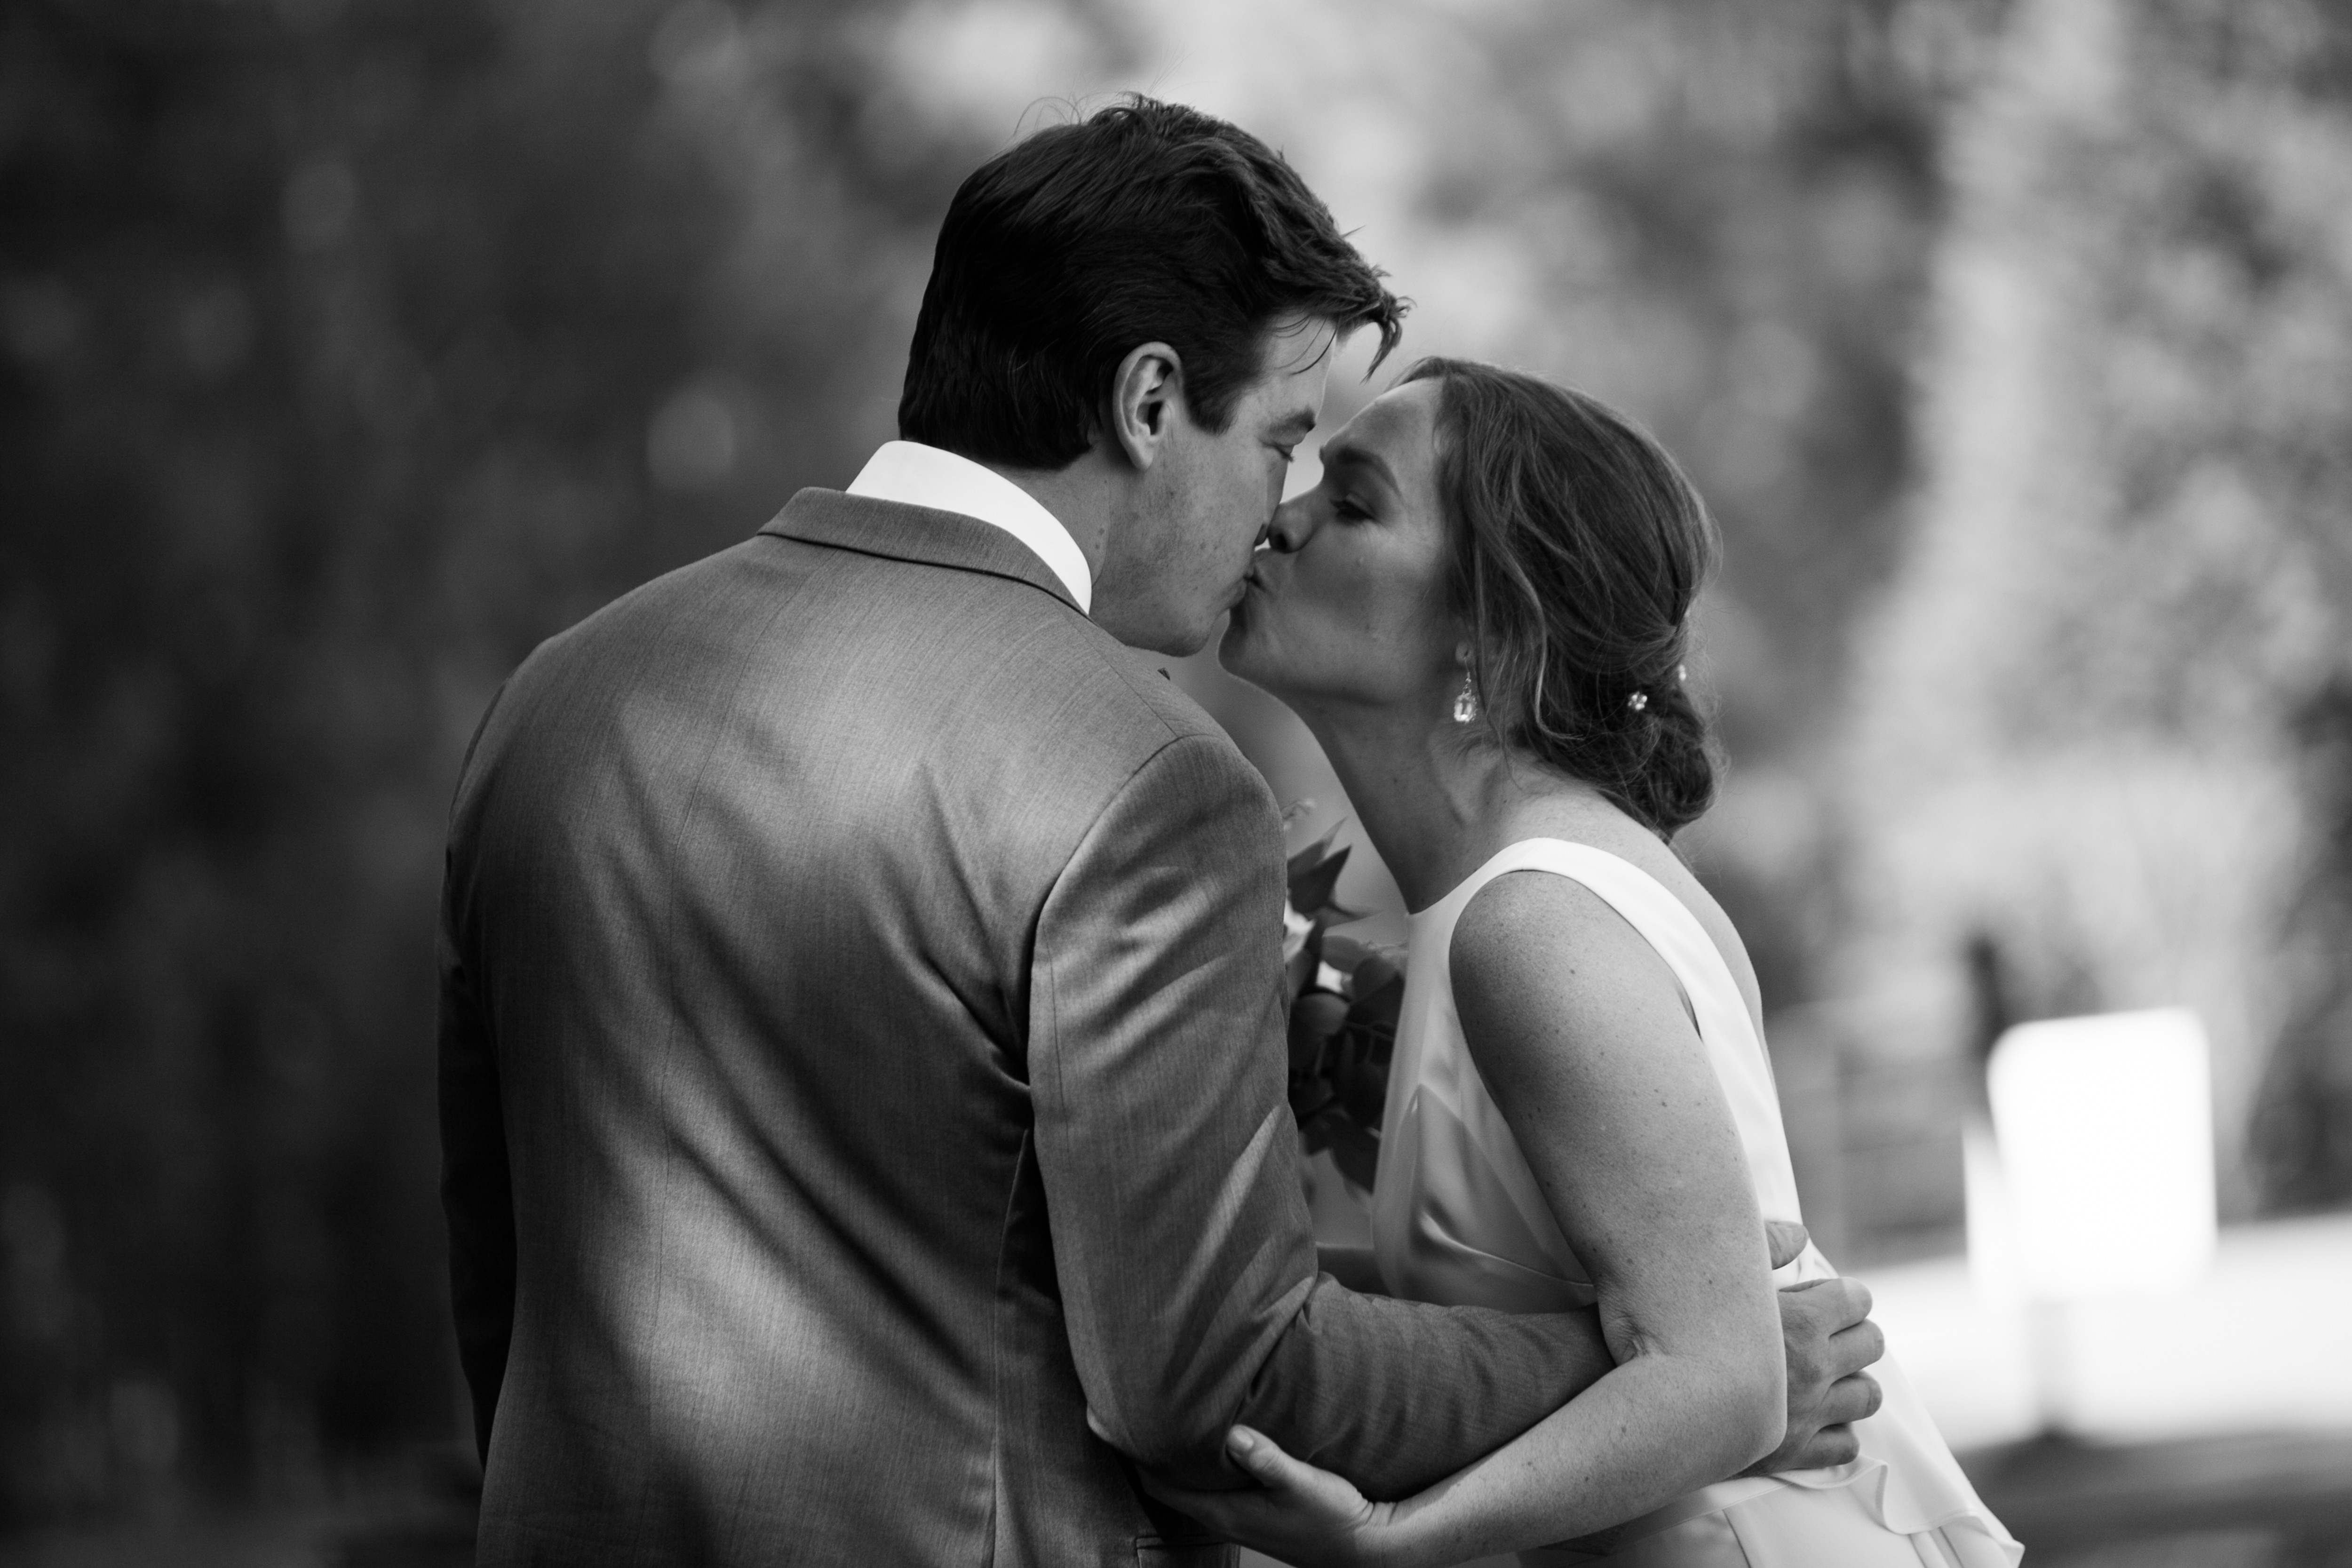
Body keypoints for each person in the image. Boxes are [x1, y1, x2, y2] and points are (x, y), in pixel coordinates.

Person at [436, 100, 1884, 1567]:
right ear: (1145, 404)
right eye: (1279, 441)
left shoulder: (557, 699)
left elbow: (501, 1284)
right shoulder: (1130, 769)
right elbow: (1216, 1377)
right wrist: (1667, 1362)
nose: (1277, 508)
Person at [1149, 360, 2022, 1566]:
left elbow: (1724, 1381)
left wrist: (1395, 1538)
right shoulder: (1511, 892)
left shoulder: (1534, 919)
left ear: (1485, 632)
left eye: (1352, 504)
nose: (1278, 517)